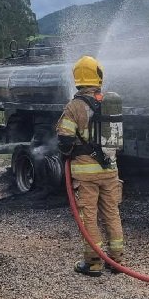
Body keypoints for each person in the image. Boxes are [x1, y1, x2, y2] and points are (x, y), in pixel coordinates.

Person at [56, 55, 125, 277]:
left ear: (77, 78)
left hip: (86, 174)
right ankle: (116, 260)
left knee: (89, 217)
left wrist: (68, 153)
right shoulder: (107, 102)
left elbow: (65, 138)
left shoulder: (74, 106)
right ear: (98, 76)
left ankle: (94, 262)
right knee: (112, 213)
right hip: (110, 170)